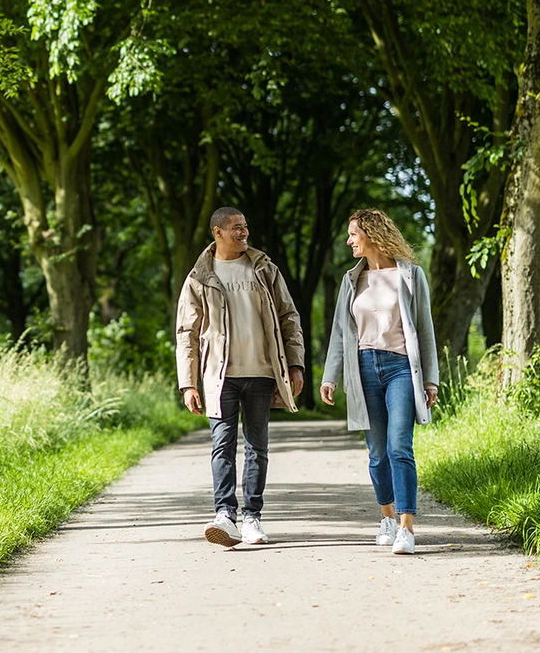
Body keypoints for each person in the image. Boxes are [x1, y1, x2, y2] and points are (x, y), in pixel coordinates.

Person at [176, 206, 305, 548]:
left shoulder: (264, 268)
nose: (243, 232)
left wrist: (295, 364)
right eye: (236, 227)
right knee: (222, 446)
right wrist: (188, 383)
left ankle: (252, 517)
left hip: (262, 372)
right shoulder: (199, 277)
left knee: (257, 447)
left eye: (245, 226)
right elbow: (186, 332)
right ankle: (224, 515)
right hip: (219, 377)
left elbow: (288, 316)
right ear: (217, 232)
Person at [320, 208, 439, 555]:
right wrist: (331, 376)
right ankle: (386, 517)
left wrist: (430, 380)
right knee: (376, 453)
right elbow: (341, 333)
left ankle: (406, 528)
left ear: (371, 234)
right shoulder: (351, 280)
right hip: (364, 369)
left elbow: (426, 328)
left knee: (398, 446)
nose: (349, 240)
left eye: (353, 234)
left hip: (402, 367)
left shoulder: (410, 276)